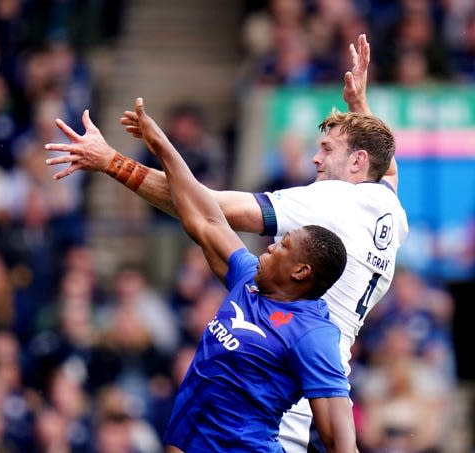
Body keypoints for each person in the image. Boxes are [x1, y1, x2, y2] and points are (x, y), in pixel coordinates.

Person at [45, 34, 409, 452]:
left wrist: (113, 162)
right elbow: (387, 169)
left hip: (276, 385)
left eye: (327, 149)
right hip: (297, 370)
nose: (316, 159)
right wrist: (359, 107)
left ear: (358, 162)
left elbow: (204, 206)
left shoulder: (328, 202)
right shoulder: (389, 209)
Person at [91, 96, 359, 452]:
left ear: (300, 271)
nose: (270, 246)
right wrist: (158, 146)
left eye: (284, 245)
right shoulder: (248, 278)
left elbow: (341, 443)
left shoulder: (312, 335)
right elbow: (204, 217)